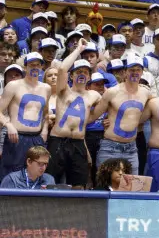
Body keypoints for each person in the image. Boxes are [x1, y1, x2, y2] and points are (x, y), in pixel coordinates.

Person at [46, 53, 98, 187]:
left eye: (86, 72)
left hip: (79, 142)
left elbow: (108, 106)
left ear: (89, 77)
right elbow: (62, 68)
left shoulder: (94, 95)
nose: (82, 74)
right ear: (71, 76)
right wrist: (79, 49)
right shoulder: (64, 90)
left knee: (79, 185)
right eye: (79, 72)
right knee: (51, 182)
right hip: (58, 141)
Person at [0, 54, 50, 178]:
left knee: (36, 175)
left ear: (42, 67)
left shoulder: (46, 88)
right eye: (31, 65)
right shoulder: (14, 85)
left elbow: (45, 113)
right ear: (25, 67)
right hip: (16, 137)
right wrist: (8, 124)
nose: (35, 67)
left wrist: (44, 130)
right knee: (11, 175)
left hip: (36, 138)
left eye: (38, 65)